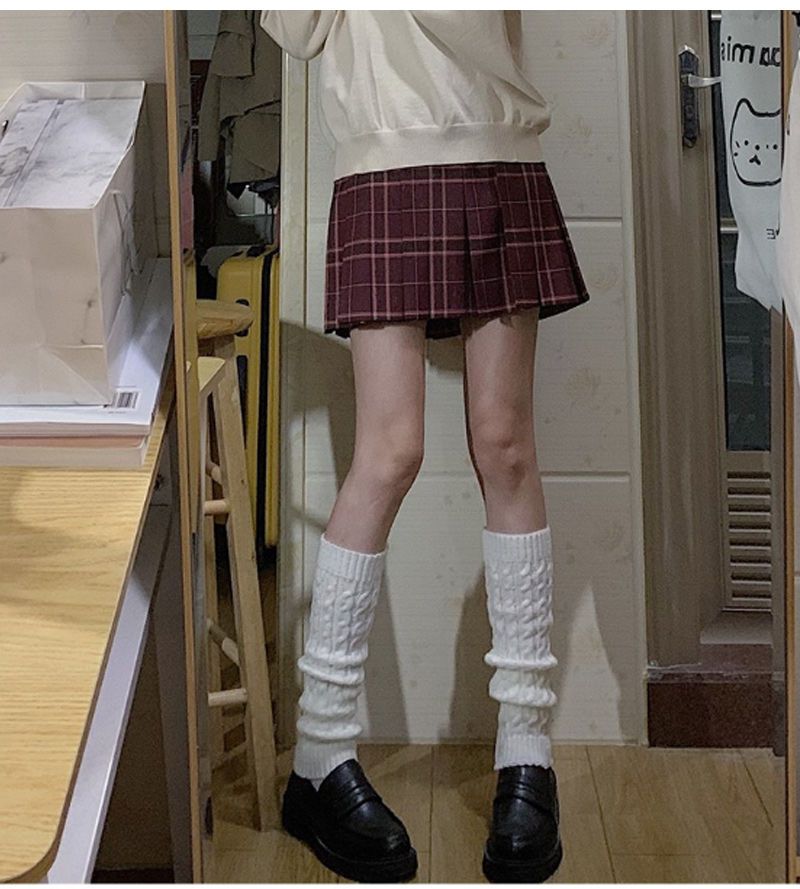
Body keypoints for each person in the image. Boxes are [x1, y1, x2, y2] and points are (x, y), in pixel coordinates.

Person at [259, 10, 590, 883]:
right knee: (390, 451)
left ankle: (527, 746)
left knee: (505, 445)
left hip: (496, 142)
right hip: (381, 155)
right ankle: (319, 753)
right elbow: (296, 27)